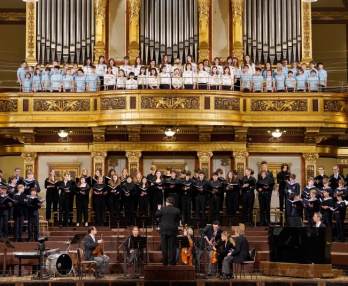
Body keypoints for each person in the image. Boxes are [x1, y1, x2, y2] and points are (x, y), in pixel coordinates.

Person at [155, 197, 181, 266]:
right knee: (172, 247)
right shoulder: (177, 210)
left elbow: (156, 215)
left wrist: (158, 208)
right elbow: (178, 220)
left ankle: (165, 263)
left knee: (164, 247)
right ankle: (172, 263)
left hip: (163, 230)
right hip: (173, 230)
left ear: (166, 202)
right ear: (173, 203)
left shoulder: (162, 209)